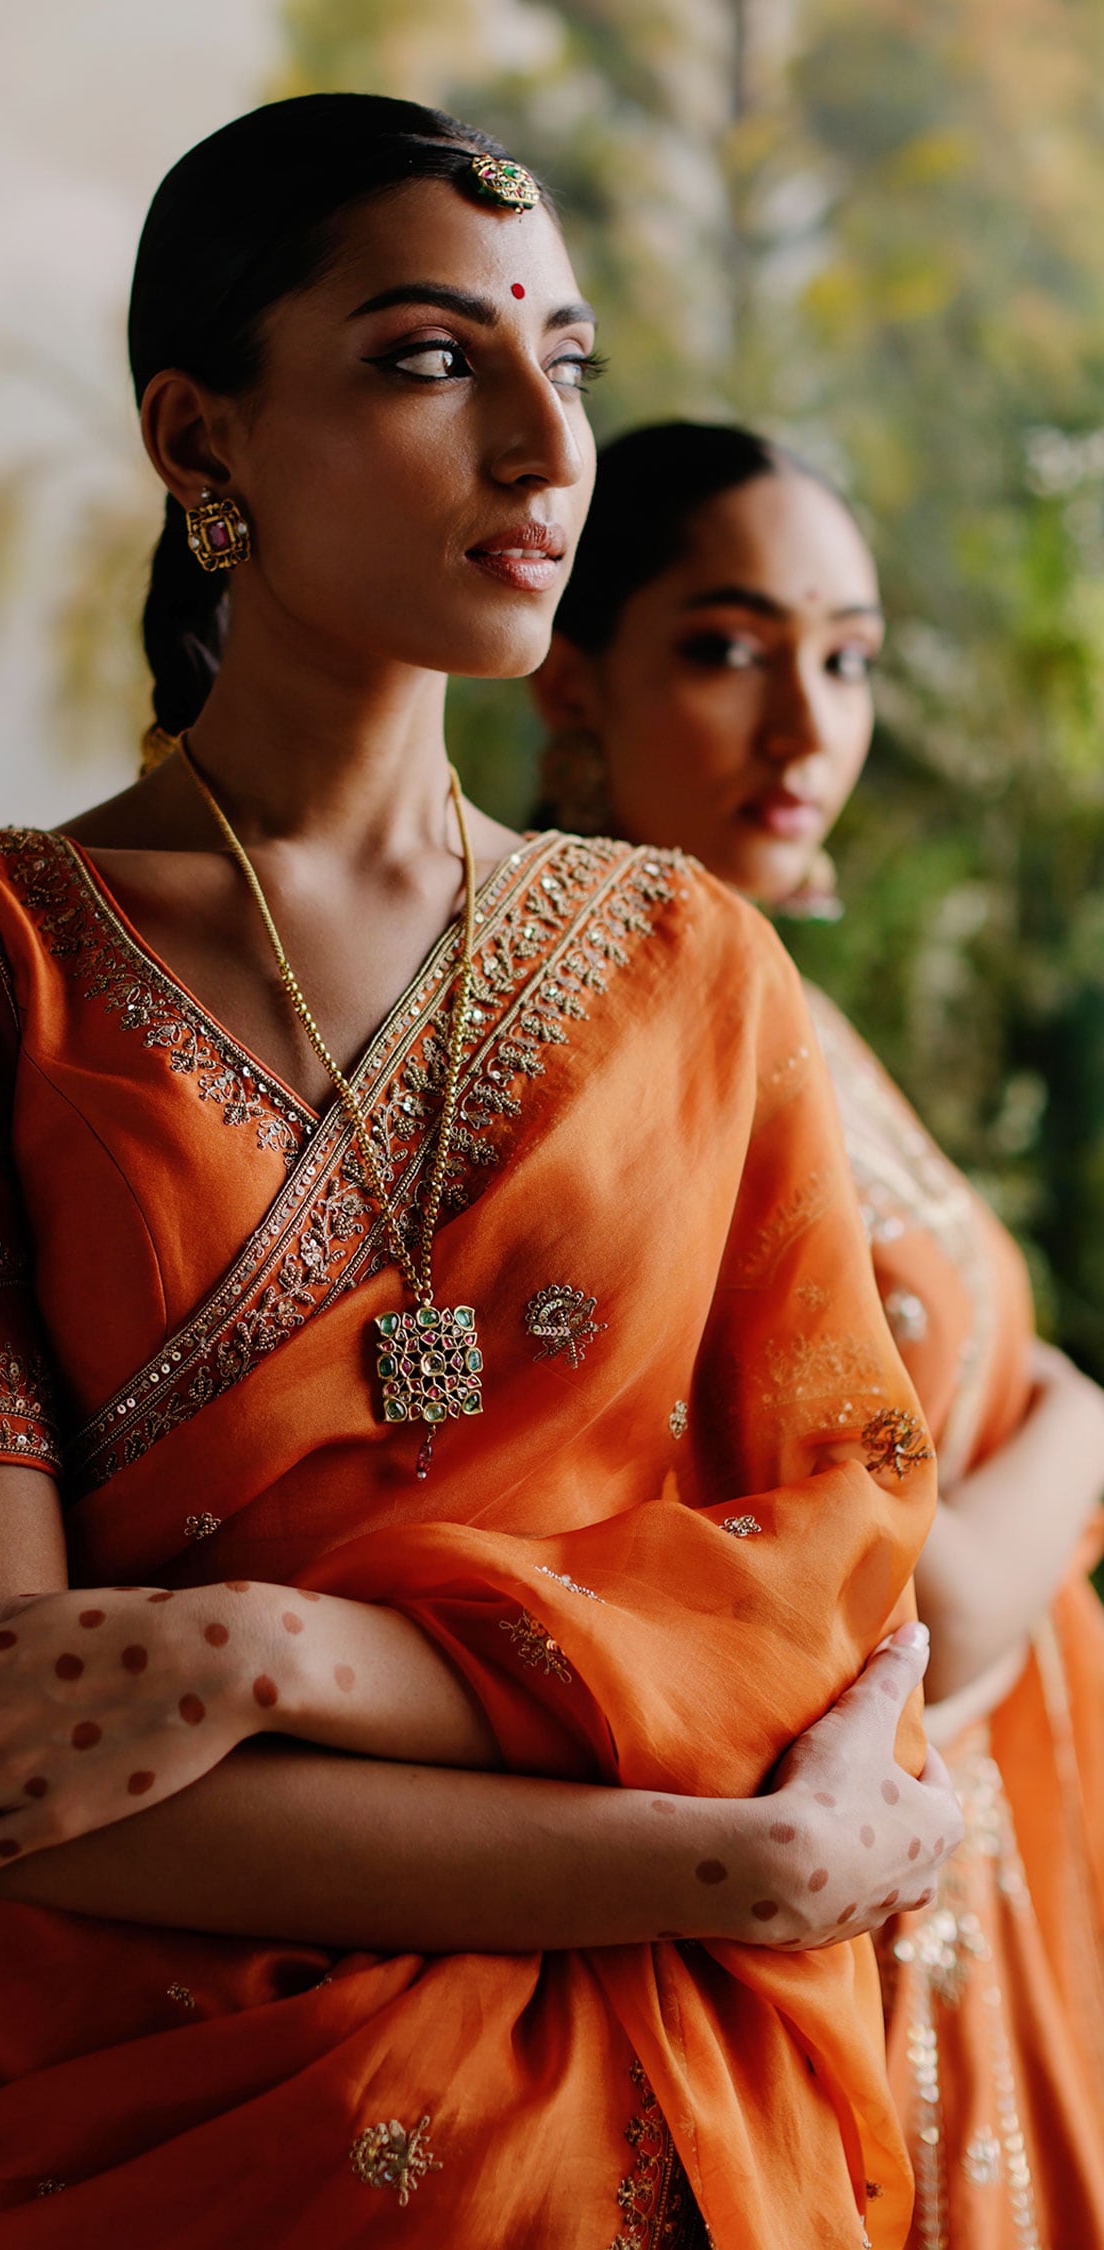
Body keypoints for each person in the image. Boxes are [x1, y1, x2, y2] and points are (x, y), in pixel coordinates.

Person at [0, 101, 958, 2248]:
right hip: (131, 2157)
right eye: (434, 360)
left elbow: (827, 1594)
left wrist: (265, 1658)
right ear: (200, 434)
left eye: (570, 362)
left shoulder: (694, 965)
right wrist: (737, 1868)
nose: (545, 448)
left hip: (661, 2151)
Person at [532, 419, 1104, 2250]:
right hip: (855, 1939)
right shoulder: (614, 1030)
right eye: (725, 645)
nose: (807, 728)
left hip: (969, 1907)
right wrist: (1091, 1415)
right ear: (570, 680)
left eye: (846, 657)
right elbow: (903, 1617)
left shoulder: (766, 992)